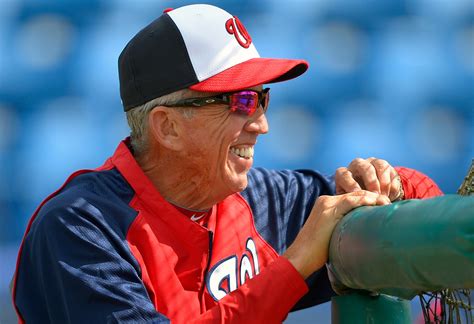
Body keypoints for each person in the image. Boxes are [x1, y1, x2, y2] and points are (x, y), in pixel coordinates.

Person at [12, 4, 443, 323]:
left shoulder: (266, 200)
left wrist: (389, 185)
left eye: (262, 98)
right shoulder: (79, 229)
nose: (262, 124)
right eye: (239, 100)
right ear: (167, 127)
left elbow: (424, 198)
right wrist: (293, 268)